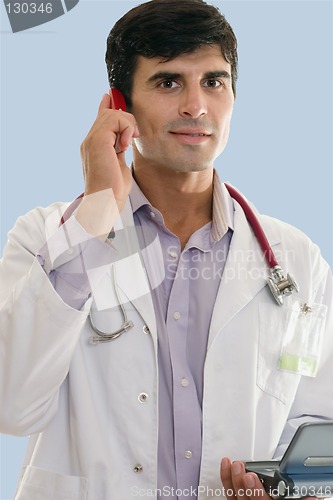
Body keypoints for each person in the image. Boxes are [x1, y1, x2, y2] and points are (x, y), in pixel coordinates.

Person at [0, 0, 332, 499]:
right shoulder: (47, 238)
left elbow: (318, 429)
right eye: (168, 81)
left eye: (214, 82)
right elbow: (12, 404)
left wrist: (282, 490)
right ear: (119, 103)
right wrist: (95, 217)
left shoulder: (295, 257)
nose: (196, 107)